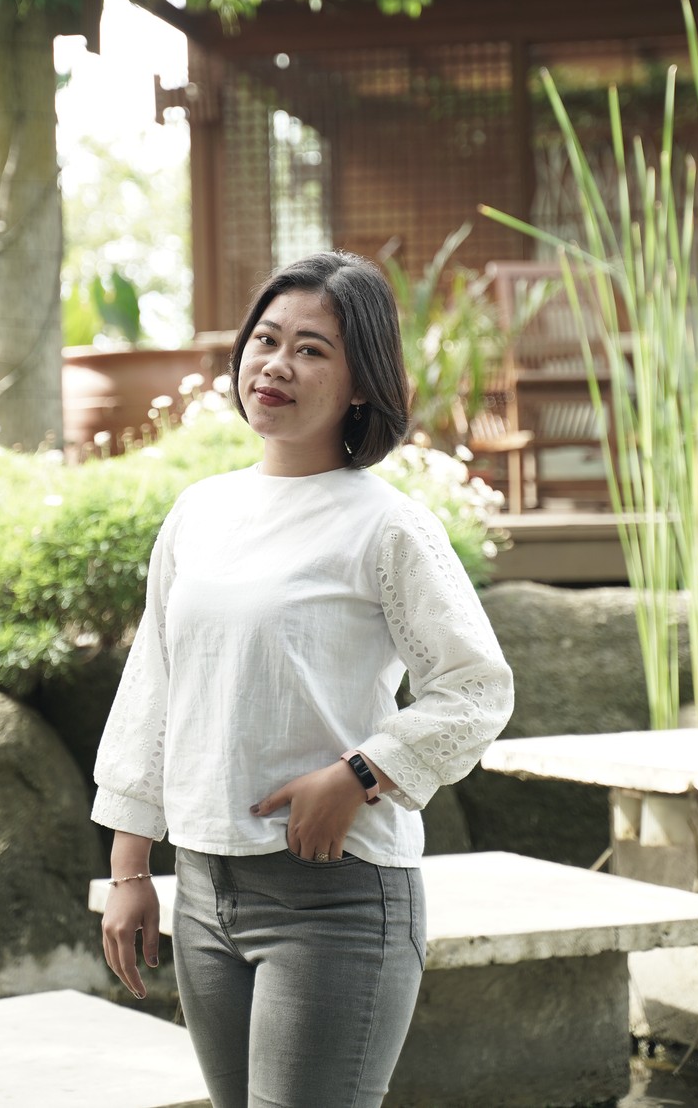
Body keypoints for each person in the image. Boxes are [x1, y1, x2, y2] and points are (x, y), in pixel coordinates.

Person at [93, 250, 514, 1108]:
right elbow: (155, 685)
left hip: (337, 898)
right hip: (203, 893)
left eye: (311, 349)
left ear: (360, 384)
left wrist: (360, 774)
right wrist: (131, 869)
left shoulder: (388, 527)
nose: (277, 365)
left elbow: (476, 688)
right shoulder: (200, 512)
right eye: (266, 340)